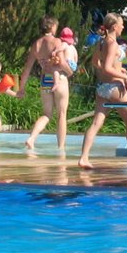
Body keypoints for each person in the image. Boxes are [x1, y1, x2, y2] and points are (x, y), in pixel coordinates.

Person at [78, 13, 127, 170]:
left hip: (102, 88)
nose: (123, 27)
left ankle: (84, 157)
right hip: (114, 88)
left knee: (97, 123)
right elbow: (107, 67)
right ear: (114, 27)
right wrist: (123, 76)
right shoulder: (112, 44)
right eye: (121, 24)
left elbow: (95, 63)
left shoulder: (101, 42)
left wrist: (112, 73)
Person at [17, 15, 74, 152]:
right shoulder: (56, 42)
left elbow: (27, 69)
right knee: (61, 114)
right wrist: (70, 72)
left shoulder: (36, 44)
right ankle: (61, 148)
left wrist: (21, 88)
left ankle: (32, 138)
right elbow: (61, 62)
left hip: (45, 80)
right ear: (53, 27)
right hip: (59, 78)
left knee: (46, 114)